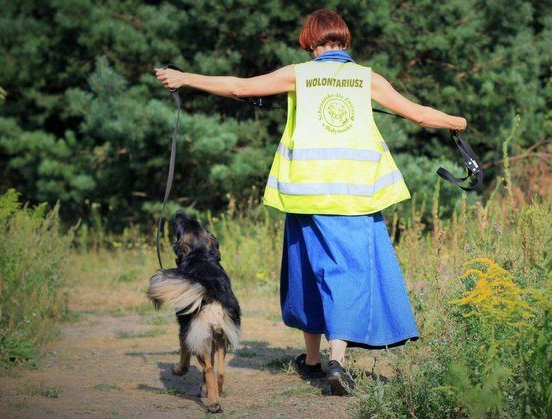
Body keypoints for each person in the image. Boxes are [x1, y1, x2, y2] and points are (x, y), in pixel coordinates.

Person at [155, 8, 466, 396]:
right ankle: (337, 360)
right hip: (356, 195)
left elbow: (239, 87)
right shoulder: (367, 78)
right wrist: (458, 123)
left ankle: (313, 361)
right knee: (348, 274)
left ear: (310, 40)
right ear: (344, 40)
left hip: (306, 193)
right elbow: (419, 116)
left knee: (307, 272)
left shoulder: (298, 74)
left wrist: (185, 78)